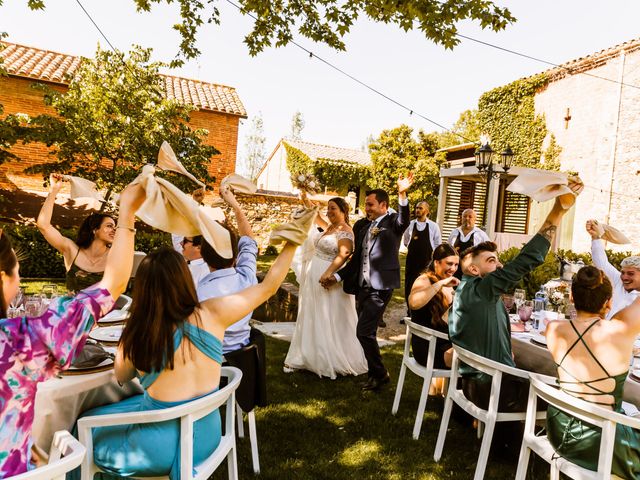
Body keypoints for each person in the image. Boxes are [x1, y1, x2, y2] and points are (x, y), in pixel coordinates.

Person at [76, 211, 311, 479]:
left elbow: (121, 376)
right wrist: (293, 240)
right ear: (185, 278)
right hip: (207, 435)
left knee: (82, 428)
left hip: (156, 450)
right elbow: (269, 287)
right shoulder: (213, 313)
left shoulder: (140, 333)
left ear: (142, 289)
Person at [0, 182, 145, 478]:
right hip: (70, 334)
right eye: (18, 270)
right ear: (4, 280)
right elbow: (113, 286)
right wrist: (129, 210)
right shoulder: (21, 340)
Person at [449, 183, 582, 415]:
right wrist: (558, 211)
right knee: (570, 396)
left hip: (473, 384)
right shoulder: (484, 288)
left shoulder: (464, 291)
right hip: (495, 390)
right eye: (491, 261)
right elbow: (526, 259)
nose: (499, 264)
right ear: (473, 269)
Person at [545, 265, 640, 479]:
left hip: (559, 431)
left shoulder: (553, 329)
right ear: (608, 302)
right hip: (603, 441)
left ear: (571, 296)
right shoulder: (621, 330)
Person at [325, 174, 413, 391]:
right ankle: (376, 375)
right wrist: (337, 276)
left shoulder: (393, 223)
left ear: (384, 205)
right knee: (367, 333)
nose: (367, 208)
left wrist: (402, 193)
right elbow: (356, 261)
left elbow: (405, 219)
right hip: (363, 287)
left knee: (363, 332)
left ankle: (380, 373)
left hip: (380, 287)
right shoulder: (364, 227)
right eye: (366, 204)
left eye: (371, 204)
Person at [284, 194, 367, 379]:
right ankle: (310, 353)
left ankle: (329, 357)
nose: (329, 212)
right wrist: (305, 197)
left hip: (328, 277)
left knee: (328, 315)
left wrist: (329, 273)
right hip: (314, 273)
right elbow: (315, 215)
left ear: (343, 211)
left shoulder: (345, 231)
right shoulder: (330, 227)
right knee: (313, 313)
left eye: (333, 208)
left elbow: (344, 253)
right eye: (328, 208)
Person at [197, 186, 257, 354]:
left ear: (203, 255)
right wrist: (235, 205)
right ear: (235, 255)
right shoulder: (247, 277)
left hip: (209, 360)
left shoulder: (198, 291)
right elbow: (249, 242)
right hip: (244, 358)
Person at [37, 174, 116, 293]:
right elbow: (44, 226)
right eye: (109, 226)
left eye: (115, 227)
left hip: (106, 312)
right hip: (71, 311)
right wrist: (54, 190)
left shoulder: (115, 256)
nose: (114, 230)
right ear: (94, 230)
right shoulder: (71, 250)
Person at [408, 244, 459, 369]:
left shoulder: (449, 284)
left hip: (444, 343)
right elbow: (413, 304)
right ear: (436, 262)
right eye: (449, 263)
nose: (453, 268)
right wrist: (440, 284)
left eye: (456, 265)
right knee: (475, 359)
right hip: (428, 348)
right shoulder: (424, 280)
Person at [586, 219, 640, 319]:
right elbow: (602, 263)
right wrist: (595, 237)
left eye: (631, 274)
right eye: (623, 273)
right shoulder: (619, 281)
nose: (624, 277)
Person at [402, 201, 442, 316]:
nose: (417, 210)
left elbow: (437, 245)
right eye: (416, 208)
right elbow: (406, 241)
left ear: (427, 211)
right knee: (409, 287)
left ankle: (421, 313)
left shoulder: (434, 226)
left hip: (426, 262)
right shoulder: (410, 224)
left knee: (425, 286)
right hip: (411, 261)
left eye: (420, 208)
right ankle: (409, 313)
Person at [447, 209, 490, 280]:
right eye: (464, 216)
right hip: (454, 269)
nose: (467, 218)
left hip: (471, 271)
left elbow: (489, 251)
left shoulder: (481, 234)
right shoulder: (454, 232)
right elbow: (448, 249)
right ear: (461, 218)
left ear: (475, 219)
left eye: (470, 217)